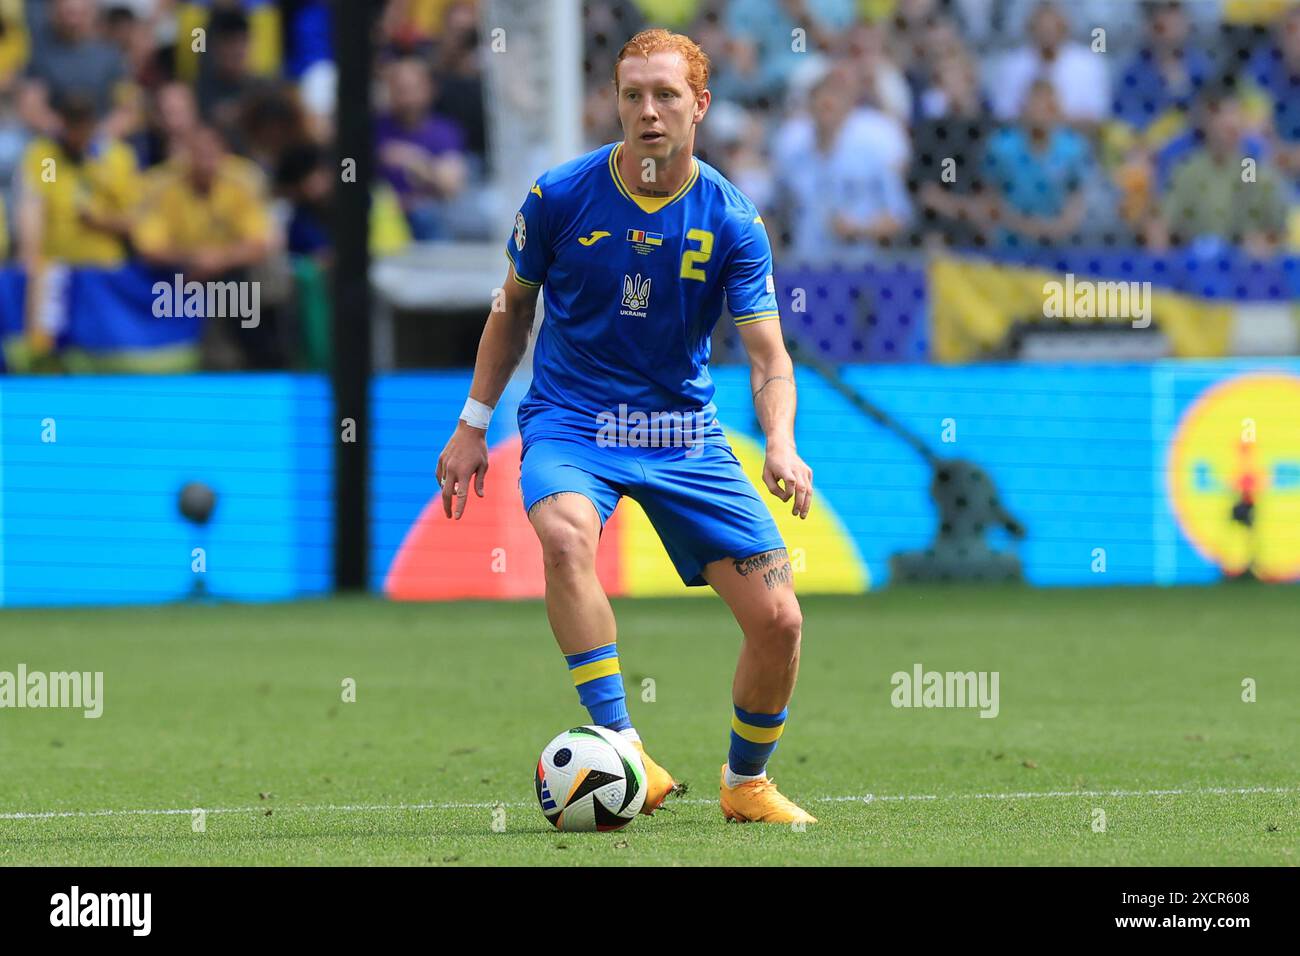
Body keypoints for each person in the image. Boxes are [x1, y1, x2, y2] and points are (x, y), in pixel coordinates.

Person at [436, 28, 816, 825]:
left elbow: (769, 358)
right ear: (615, 102)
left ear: (700, 106)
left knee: (780, 618)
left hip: (684, 436)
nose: (647, 111)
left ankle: (746, 783)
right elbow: (511, 311)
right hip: (573, 423)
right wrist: (473, 424)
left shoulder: (733, 221)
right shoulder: (559, 197)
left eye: (666, 95)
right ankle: (622, 745)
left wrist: (780, 442)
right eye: (632, 94)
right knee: (568, 537)